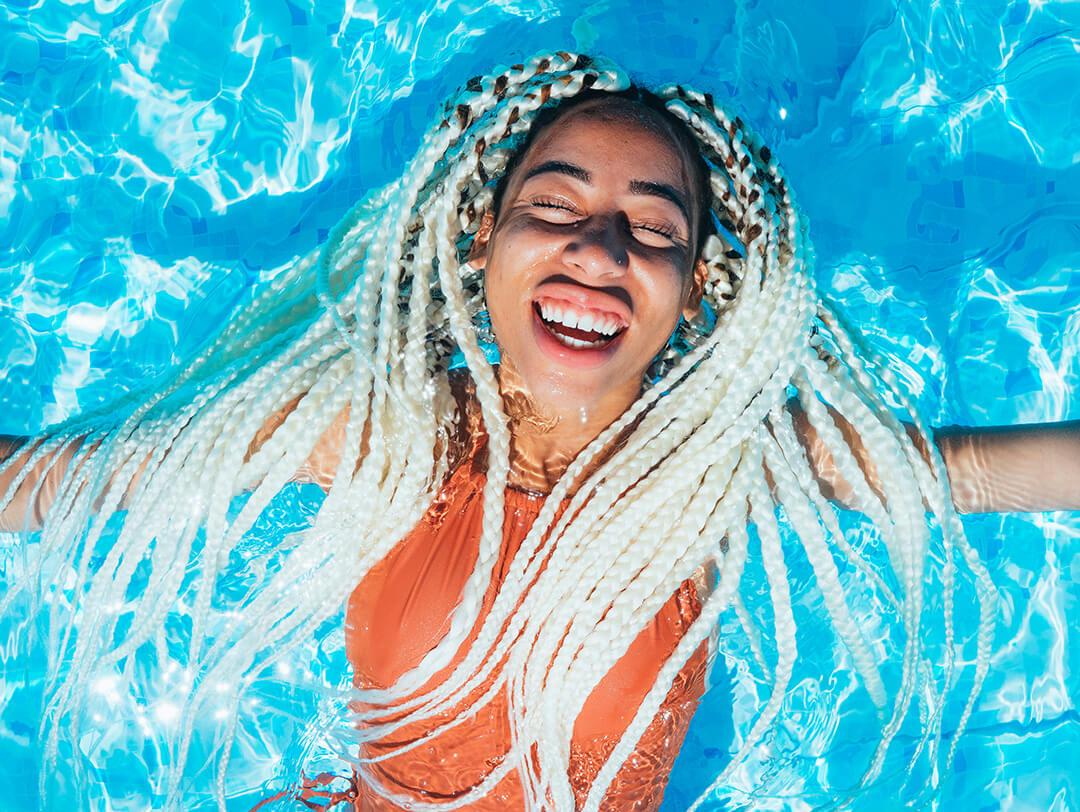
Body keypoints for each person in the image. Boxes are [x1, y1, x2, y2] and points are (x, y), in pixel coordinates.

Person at [1, 51, 1078, 811]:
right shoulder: (384, 437)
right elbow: (74, 479)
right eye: (554, 207)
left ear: (699, 285)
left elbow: (982, 470)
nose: (600, 247)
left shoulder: (711, 472)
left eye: (653, 226)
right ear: (481, 238)